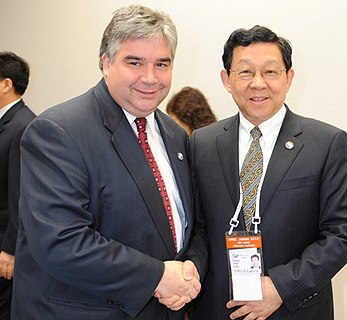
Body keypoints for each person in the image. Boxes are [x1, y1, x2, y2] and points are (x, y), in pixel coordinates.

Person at [11, 5, 205, 320]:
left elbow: (188, 223)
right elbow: (61, 242)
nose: (150, 77)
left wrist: (189, 271)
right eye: (135, 62)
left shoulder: (174, 134)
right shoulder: (57, 131)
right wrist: (157, 277)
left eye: (162, 63)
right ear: (105, 63)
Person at [189, 25, 347, 320]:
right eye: (245, 72)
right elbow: (198, 228)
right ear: (227, 79)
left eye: (270, 72)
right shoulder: (202, 142)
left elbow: (344, 232)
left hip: (294, 308)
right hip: (218, 308)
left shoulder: (326, 143)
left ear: (288, 78)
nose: (258, 83)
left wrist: (282, 287)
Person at [0, 52, 35, 320]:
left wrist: (9, 250)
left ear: (6, 84)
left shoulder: (24, 126)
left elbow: (20, 196)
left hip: (5, 244)